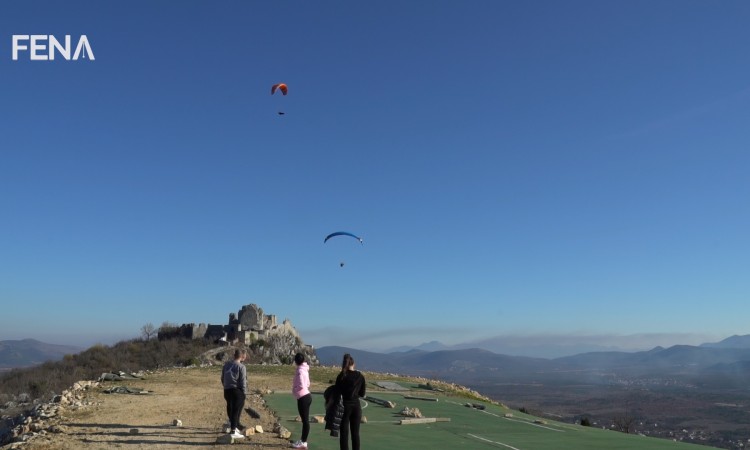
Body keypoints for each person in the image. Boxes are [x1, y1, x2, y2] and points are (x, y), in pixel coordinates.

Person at [335, 353, 365, 450]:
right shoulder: (360, 376)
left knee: (344, 434)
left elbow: (336, 392)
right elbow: (362, 393)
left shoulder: (341, 376)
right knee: (355, 434)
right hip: (356, 406)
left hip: (344, 406)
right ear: (353, 364)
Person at [221, 348, 247, 439]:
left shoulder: (226, 365)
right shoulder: (241, 367)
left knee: (230, 407)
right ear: (242, 356)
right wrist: (244, 393)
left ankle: (234, 424)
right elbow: (243, 381)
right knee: (236, 409)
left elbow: (222, 378)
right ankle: (233, 430)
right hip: (236, 390)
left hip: (227, 390)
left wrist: (225, 386)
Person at [291, 352, 311, 449]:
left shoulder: (300, 371)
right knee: (305, 420)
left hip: (303, 397)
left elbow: (302, 384)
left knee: (305, 421)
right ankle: (303, 441)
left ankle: (303, 442)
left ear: (296, 361)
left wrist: (296, 389)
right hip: (306, 396)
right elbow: (308, 383)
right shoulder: (304, 369)